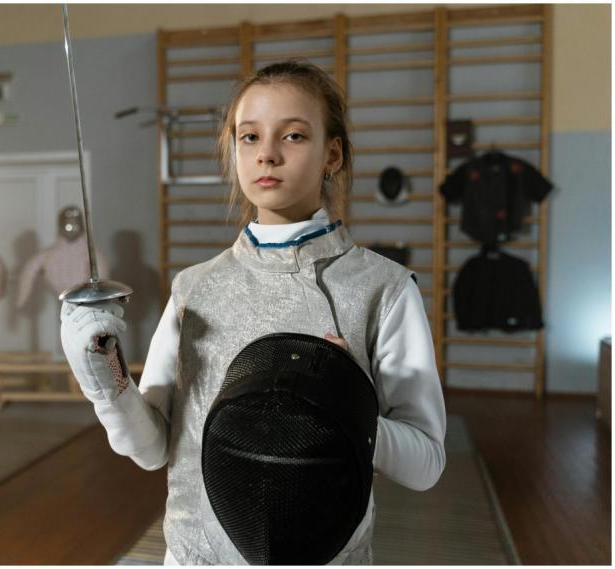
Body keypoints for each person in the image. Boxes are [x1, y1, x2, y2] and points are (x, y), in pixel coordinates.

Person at [60, 60, 446, 565]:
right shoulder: (195, 287)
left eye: (292, 136)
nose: (266, 154)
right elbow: (152, 448)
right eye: (248, 137)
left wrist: (344, 407)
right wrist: (104, 376)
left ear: (332, 154)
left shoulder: (382, 288)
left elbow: (427, 463)